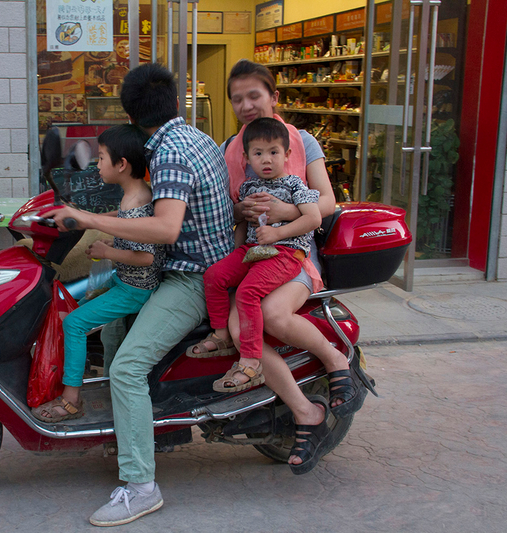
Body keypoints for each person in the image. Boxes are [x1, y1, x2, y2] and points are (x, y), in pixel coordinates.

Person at [51, 63, 234, 526]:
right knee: (109, 328)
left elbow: (165, 228)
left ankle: (140, 486)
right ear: (173, 101)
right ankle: (126, 428)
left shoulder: (169, 153)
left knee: (128, 367)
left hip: (193, 278)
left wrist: (89, 221)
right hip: (198, 265)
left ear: (131, 113)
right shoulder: (197, 136)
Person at [190, 59, 363, 474]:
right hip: (252, 254)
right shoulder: (231, 149)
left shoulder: (302, 140)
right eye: (238, 99)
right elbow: (225, 210)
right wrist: (240, 208)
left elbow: (325, 202)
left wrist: (284, 210)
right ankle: (305, 412)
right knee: (236, 326)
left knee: (269, 313)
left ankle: (338, 362)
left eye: (254, 95)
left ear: (273, 97)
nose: (247, 105)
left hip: (296, 257)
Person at [31, 125, 163, 423]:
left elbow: (146, 256)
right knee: (80, 314)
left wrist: (108, 253)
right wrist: (88, 222)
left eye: (102, 158)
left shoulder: (139, 203)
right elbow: (122, 221)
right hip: (123, 279)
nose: (97, 164)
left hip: (134, 289)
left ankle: (71, 399)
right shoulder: (136, 194)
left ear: (121, 165)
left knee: (74, 324)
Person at [191, 117, 321, 395]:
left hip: (285, 253)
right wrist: (233, 258)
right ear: (247, 157)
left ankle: (251, 360)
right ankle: (222, 335)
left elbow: (313, 218)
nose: (266, 159)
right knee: (214, 276)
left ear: (287, 155)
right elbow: (244, 226)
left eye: (274, 152)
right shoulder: (248, 188)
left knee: (247, 293)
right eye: (258, 153)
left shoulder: (295, 185)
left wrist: (277, 233)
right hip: (252, 251)